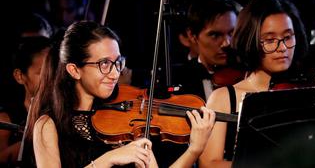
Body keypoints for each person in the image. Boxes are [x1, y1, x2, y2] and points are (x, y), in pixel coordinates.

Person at [24, 20, 215, 168]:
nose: (116, 73)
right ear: (74, 70)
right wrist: (107, 159)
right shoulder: (49, 124)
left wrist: (194, 149)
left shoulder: (123, 120)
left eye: (118, 62)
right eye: (104, 64)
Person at [199, 0, 309, 167]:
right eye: (270, 40)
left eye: (288, 37)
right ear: (250, 40)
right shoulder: (224, 97)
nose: (282, 48)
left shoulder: (305, 92)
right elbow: (210, 163)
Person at [171, 0, 242, 101]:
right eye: (215, 35)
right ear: (192, 35)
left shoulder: (249, 72)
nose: (227, 43)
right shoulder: (178, 79)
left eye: (231, 33)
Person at [0, 36, 51, 167]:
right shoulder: (6, 118)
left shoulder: (63, 111)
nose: (51, 79)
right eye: (42, 73)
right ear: (19, 76)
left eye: (54, 71)